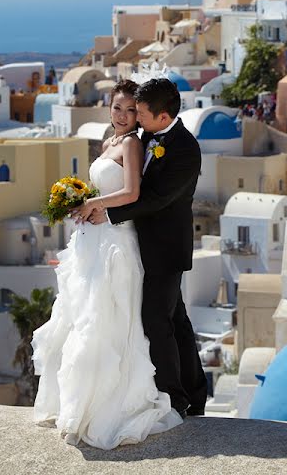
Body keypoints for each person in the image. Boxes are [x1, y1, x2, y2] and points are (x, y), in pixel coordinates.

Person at [31, 79, 182, 450]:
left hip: (118, 240)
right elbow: (107, 187)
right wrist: (81, 197)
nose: (124, 116)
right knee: (83, 314)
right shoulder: (108, 141)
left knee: (108, 318)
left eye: (132, 111)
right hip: (95, 239)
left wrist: (95, 205)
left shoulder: (132, 143)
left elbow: (131, 192)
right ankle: (77, 401)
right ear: (108, 106)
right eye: (118, 108)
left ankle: (110, 405)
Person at [84, 77, 208, 420]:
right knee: (176, 322)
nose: (134, 117)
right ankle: (195, 393)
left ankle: (174, 399)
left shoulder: (185, 149)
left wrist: (108, 214)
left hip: (166, 249)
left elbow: (156, 198)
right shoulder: (144, 137)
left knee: (156, 321)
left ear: (163, 116)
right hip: (138, 244)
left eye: (140, 112)